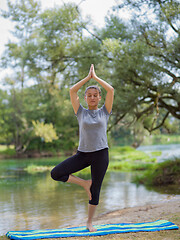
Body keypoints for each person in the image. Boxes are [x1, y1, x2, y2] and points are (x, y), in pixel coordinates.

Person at [51, 64, 114, 232]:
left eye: (95, 95)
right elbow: (72, 91)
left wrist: (97, 78)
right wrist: (88, 78)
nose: (92, 98)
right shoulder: (80, 112)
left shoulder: (105, 112)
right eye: (89, 95)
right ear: (85, 98)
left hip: (101, 154)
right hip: (83, 154)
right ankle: (84, 183)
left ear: (99, 98)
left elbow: (111, 90)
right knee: (56, 173)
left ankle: (89, 222)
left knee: (96, 190)